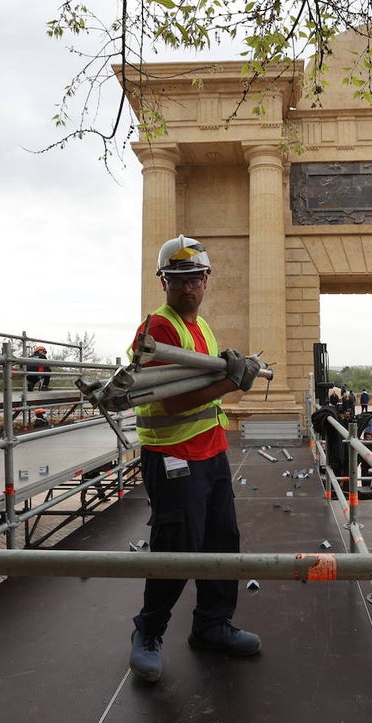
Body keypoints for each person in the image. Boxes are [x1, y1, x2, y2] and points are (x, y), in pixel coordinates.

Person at [127, 234, 262, 684]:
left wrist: (227, 372)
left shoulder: (201, 327)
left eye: (194, 278)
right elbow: (172, 401)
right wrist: (233, 382)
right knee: (177, 547)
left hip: (210, 450)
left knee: (222, 542)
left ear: (206, 280)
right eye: (178, 279)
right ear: (163, 281)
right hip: (172, 456)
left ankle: (212, 625)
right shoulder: (157, 331)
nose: (188, 287)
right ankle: (148, 632)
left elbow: (202, 388)